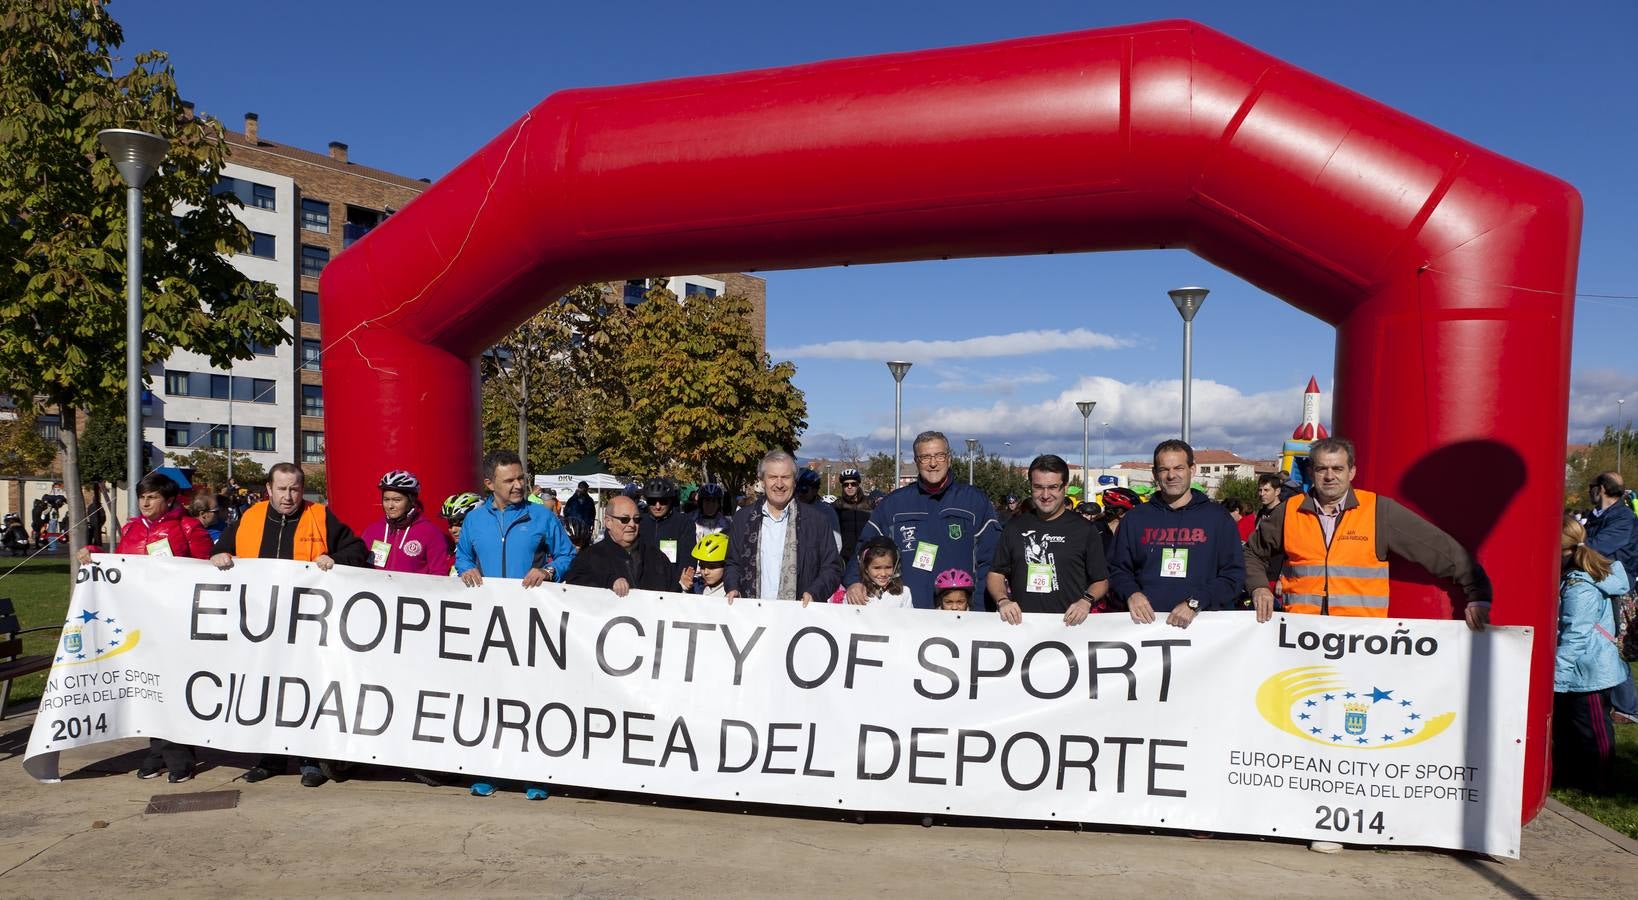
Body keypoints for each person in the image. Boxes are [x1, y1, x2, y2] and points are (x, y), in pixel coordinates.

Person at [209, 462, 368, 786]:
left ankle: (309, 760)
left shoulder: (320, 516)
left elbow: (358, 549)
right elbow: (221, 550)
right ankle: (270, 758)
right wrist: (219, 556)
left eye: (294, 488)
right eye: (281, 489)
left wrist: (335, 558)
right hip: (260, 626)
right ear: (268, 490)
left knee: (303, 690)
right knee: (265, 690)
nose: (288, 496)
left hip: (307, 627)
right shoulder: (249, 518)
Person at [1243, 437, 1491, 630]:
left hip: (1362, 639)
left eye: (1338, 468)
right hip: (1302, 635)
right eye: (1322, 469)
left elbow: (1441, 550)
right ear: (1311, 473)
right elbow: (1251, 553)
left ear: (1352, 472)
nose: (1330, 476)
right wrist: (1259, 587)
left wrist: (1478, 593)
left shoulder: (1378, 511)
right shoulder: (1289, 511)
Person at [76, 471, 211, 783]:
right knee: (149, 688)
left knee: (174, 689)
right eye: (142, 496)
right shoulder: (133, 528)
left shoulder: (189, 528)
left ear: (168, 501)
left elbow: (206, 575)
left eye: (152, 497)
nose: (145, 502)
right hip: (141, 621)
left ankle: (180, 756)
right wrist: (95, 555)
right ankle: (158, 752)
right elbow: (122, 566)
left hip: (177, 622)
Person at [845, 431, 1001, 609]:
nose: (933, 463)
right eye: (925, 457)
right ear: (916, 461)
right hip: (908, 614)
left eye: (939, 456)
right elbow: (864, 548)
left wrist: (979, 608)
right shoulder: (894, 504)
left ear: (949, 458)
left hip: (958, 614)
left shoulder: (974, 501)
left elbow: (991, 561)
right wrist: (854, 581)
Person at [1106, 441, 1245, 629]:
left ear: (1192, 469)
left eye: (1179, 468)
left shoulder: (1218, 518)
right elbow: (1116, 569)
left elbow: (1233, 576)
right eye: (1164, 469)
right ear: (1155, 474)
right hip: (1145, 627)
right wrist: (1132, 593)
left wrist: (1195, 603)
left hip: (1205, 629)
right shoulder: (1135, 518)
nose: (1171, 476)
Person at [1554, 515, 1629, 792]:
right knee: (1573, 728)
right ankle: (1577, 775)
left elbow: (1576, 634)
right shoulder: (1579, 578)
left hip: (1589, 671)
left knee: (1593, 730)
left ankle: (1600, 781)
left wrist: (1557, 678)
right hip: (1583, 668)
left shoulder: (1580, 587)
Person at [991, 455, 1111, 627]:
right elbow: (995, 573)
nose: (1045, 495)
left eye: (1053, 487)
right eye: (1038, 487)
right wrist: (1003, 600)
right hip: (1022, 627)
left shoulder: (1085, 529)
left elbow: (1101, 580)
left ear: (1065, 487)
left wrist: (1086, 601)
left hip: (1068, 628)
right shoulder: (1014, 527)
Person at [724, 450, 842, 605]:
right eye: (773, 477)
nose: (779, 484)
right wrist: (733, 587)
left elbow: (832, 568)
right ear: (762, 480)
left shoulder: (817, 521)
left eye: (785, 477)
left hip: (800, 616)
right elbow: (733, 563)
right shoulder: (742, 519)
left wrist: (815, 593)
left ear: (794, 481)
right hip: (752, 615)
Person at [456, 450, 576, 588]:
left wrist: (548, 571)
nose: (518, 485)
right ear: (490, 484)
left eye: (520, 478)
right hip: (486, 604)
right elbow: (463, 557)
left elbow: (567, 555)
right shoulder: (473, 519)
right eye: (509, 481)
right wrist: (466, 569)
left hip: (530, 603)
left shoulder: (543, 516)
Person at [565, 495, 674, 595]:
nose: (632, 525)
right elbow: (573, 591)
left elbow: (672, 593)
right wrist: (609, 582)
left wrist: (683, 586)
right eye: (624, 520)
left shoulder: (656, 557)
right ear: (608, 522)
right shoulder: (588, 558)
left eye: (636, 519)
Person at [360, 470, 452, 575]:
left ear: (411, 500)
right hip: (377, 590)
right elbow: (360, 567)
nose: (390, 506)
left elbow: (439, 573)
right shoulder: (372, 531)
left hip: (416, 591)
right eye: (386, 499)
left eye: (397, 500)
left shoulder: (431, 532)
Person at [639, 477, 695, 584]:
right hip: (643, 588)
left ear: (670, 501)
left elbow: (688, 559)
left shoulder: (684, 523)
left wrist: (677, 586)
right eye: (652, 501)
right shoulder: (639, 522)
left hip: (673, 588)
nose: (658, 506)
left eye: (663, 501)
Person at [845, 537, 912, 608]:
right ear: (866, 568)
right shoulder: (856, 594)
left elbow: (910, 618)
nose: (883, 574)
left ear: (895, 566)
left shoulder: (904, 593)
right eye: (877, 568)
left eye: (888, 567)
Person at [796, 467, 842, 552]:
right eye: (796, 490)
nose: (799, 494)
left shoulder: (826, 512)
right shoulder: (792, 508)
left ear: (815, 490)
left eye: (803, 490)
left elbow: (836, 544)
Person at [833, 468, 872, 560]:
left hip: (867, 554)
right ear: (842, 486)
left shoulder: (870, 503)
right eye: (846, 484)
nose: (849, 487)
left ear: (858, 485)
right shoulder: (836, 506)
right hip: (845, 556)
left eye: (853, 484)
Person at [681, 532, 730, 597]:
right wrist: (686, 589)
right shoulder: (697, 586)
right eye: (702, 566)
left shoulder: (733, 592)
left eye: (712, 567)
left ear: (726, 565)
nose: (706, 572)